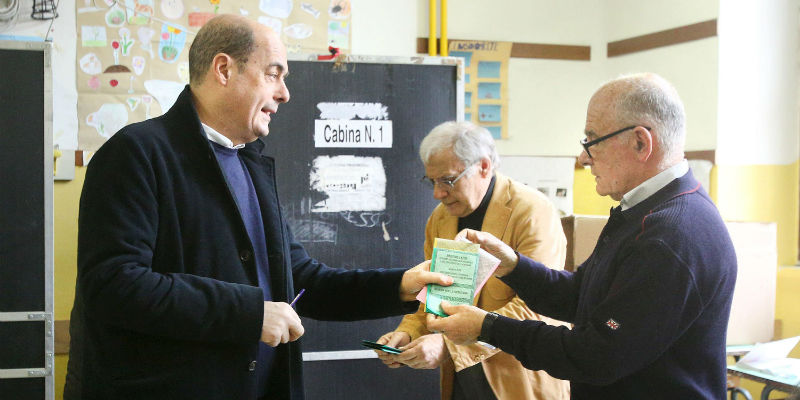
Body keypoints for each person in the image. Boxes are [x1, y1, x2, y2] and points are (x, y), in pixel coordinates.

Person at [64, 14, 453, 400]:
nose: (284, 93)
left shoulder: (250, 163)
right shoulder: (136, 154)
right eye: (273, 74)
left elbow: (300, 280)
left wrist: (400, 286)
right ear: (223, 69)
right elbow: (115, 285)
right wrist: (249, 316)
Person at [427, 73, 738, 399]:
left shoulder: (671, 235)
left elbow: (598, 354)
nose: (584, 157)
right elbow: (580, 297)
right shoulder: (641, 213)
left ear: (640, 142)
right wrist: (513, 267)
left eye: (592, 140)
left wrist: (487, 327)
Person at [374, 121, 570, 399]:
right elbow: (435, 295)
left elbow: (538, 306)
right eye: (432, 181)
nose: (437, 193)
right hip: (463, 381)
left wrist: (448, 347)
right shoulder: (441, 218)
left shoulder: (532, 211)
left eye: (447, 180)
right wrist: (407, 333)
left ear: (484, 167)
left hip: (520, 379)